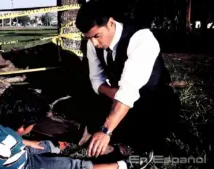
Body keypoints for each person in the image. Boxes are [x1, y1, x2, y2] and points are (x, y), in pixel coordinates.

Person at [75, 0, 180, 162]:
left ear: (110, 23)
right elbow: (96, 80)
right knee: (82, 101)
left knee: (146, 134)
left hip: (152, 102)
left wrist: (105, 131)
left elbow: (128, 92)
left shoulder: (141, 38)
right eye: (89, 38)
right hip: (119, 98)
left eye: (97, 36)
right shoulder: (93, 43)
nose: (94, 43)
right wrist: (113, 93)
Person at [0, 85, 152, 169]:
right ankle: (123, 165)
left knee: (46, 146)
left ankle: (54, 148)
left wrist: (31, 145)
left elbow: (13, 141)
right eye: (33, 124)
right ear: (22, 127)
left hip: (22, 155)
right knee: (73, 166)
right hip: (25, 164)